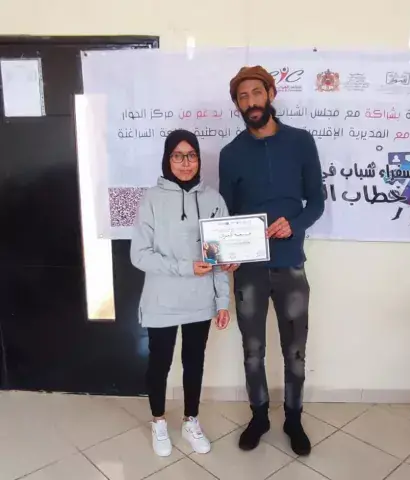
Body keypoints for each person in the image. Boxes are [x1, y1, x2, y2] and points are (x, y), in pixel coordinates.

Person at [219, 66, 325, 456]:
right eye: (242, 98)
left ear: (270, 93)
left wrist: (293, 226)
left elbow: (316, 202)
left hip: (290, 266)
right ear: (237, 105)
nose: (250, 102)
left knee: (295, 350)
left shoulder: (300, 142)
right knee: (252, 348)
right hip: (248, 270)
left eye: (255, 94)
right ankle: (260, 415)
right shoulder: (230, 154)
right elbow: (228, 215)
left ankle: (293, 420)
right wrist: (225, 253)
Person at [131, 129, 230, 457]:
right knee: (159, 363)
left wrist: (222, 301)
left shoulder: (214, 199)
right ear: (167, 158)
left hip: (199, 302)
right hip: (161, 301)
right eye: (178, 155)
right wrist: (185, 266)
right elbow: (139, 255)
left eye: (192, 156)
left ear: (199, 159)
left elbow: (219, 258)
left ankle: (190, 420)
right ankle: (158, 421)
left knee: (194, 362)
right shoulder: (151, 199)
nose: (186, 163)